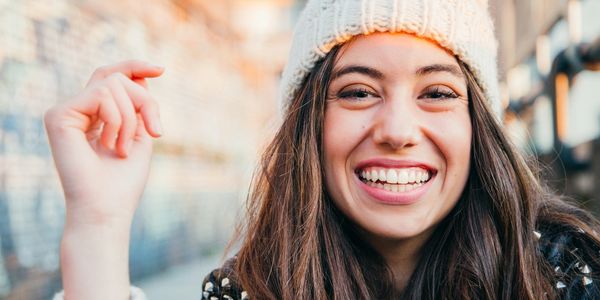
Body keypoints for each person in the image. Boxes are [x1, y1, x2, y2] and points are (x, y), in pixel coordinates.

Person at [46, 0, 600, 299]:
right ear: (309, 124)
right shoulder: (247, 292)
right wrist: (97, 225)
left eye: (438, 92)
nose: (398, 129)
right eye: (358, 91)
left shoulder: (567, 273)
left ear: (479, 126)